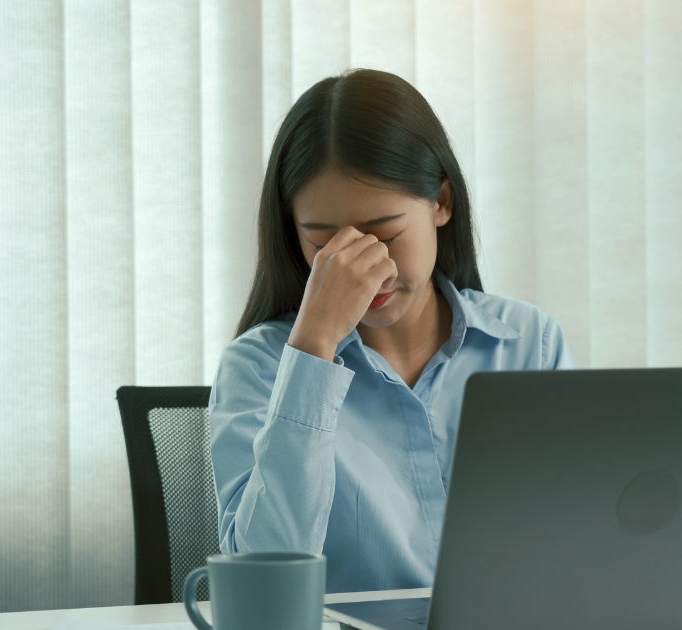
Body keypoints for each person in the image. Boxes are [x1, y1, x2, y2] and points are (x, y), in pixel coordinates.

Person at [208, 68, 577, 594]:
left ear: (441, 203)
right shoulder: (259, 366)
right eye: (325, 244)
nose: (365, 268)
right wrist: (312, 350)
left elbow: (587, 536)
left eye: (384, 234)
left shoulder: (528, 343)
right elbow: (263, 587)